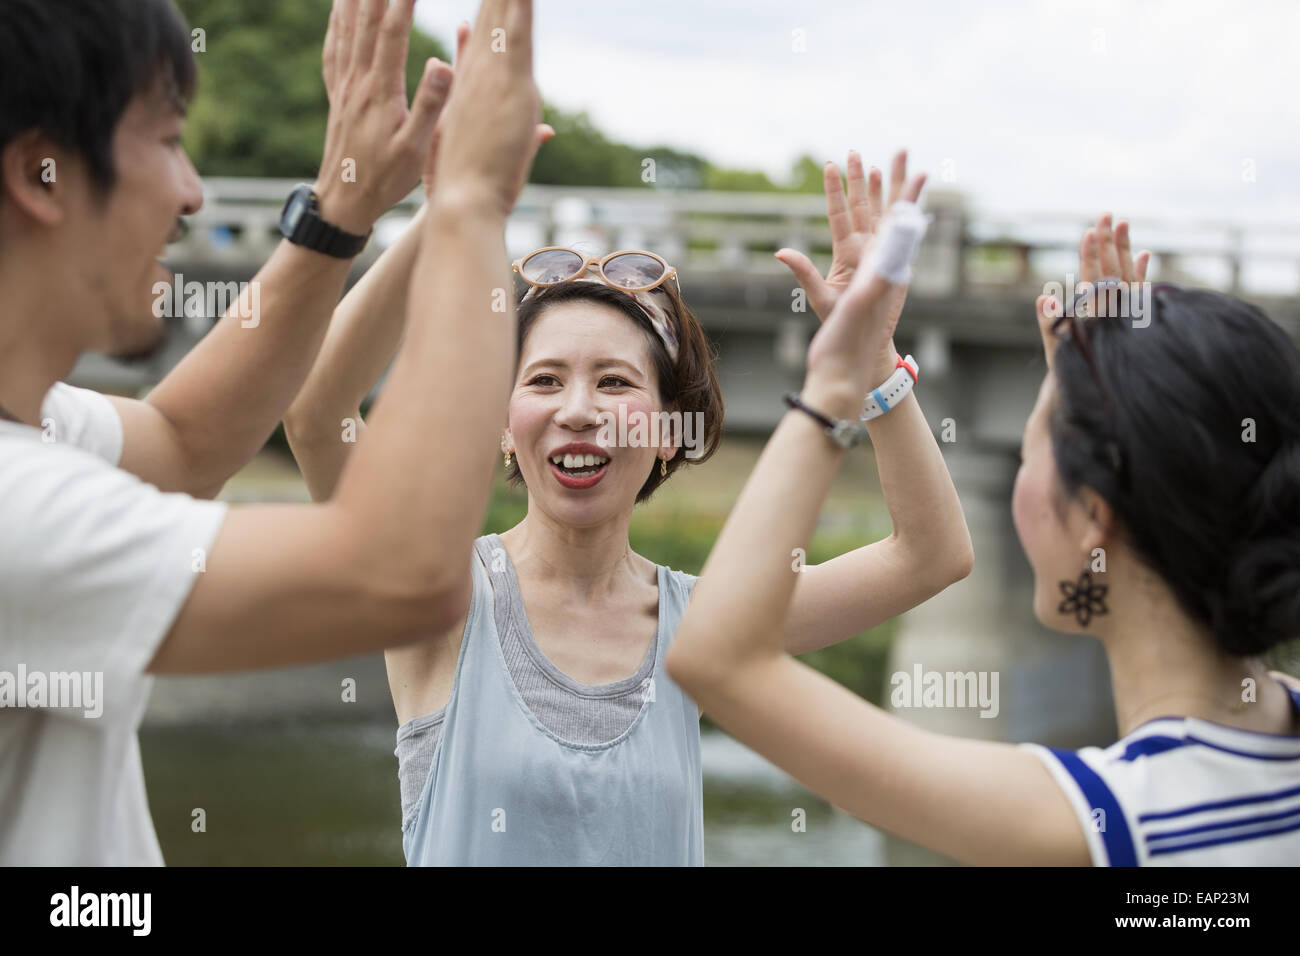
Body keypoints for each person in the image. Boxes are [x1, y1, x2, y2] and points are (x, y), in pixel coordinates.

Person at [284, 145, 973, 864]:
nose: (579, 411)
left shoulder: (704, 632)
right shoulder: (438, 593)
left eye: (614, 382)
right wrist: (452, 208)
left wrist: (876, 369)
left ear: (669, 431)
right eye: (545, 381)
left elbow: (930, 556)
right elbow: (315, 414)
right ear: (501, 422)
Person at [0, 0, 543, 864]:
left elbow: (186, 442)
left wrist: (342, 209)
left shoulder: (33, 434)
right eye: (169, 139)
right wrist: (475, 204)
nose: (191, 193)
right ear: (41, 174)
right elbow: (400, 573)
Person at [666, 205, 1300, 866]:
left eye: (1032, 453)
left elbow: (717, 659)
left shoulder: (1106, 824)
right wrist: (1114, 388)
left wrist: (836, 383)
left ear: (1092, 518)